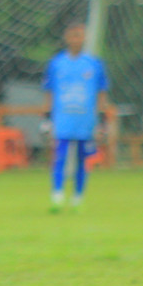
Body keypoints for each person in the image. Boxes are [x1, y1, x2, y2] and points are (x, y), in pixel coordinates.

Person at [42, 20, 110, 212]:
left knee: (83, 159)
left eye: (79, 35)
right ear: (66, 38)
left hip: (85, 121)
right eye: (72, 35)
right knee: (59, 157)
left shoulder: (94, 64)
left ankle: (78, 198)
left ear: (85, 37)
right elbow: (49, 92)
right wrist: (46, 118)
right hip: (62, 119)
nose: (76, 39)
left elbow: (101, 93)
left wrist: (102, 119)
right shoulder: (56, 64)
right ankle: (57, 196)